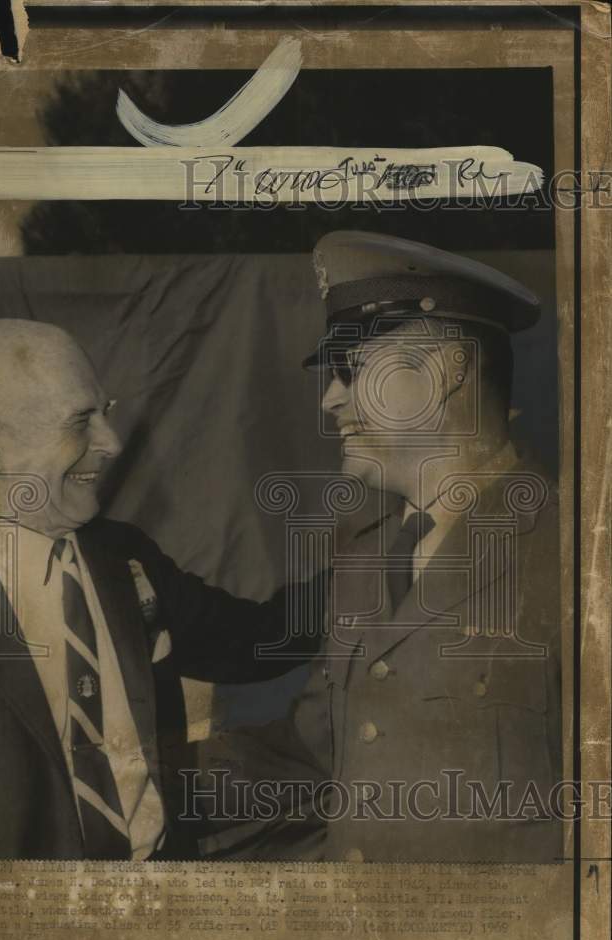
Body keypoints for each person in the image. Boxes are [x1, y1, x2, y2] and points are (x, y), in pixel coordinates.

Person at [198, 231, 562, 864]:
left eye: (350, 368)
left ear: (446, 373)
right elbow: (320, 754)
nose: (330, 399)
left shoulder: (575, 554)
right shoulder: (365, 559)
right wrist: (130, 769)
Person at [0, 319, 321, 871]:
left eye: (104, 411)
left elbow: (260, 640)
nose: (111, 442)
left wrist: (384, 566)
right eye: (81, 421)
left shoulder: (124, 555)